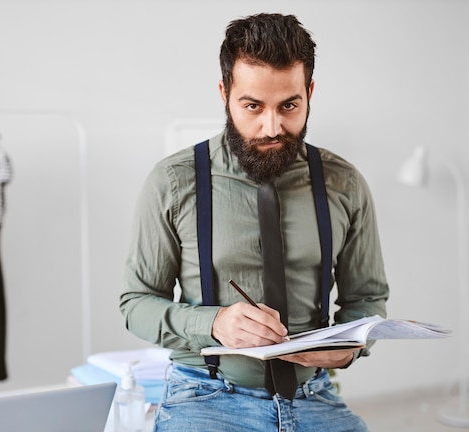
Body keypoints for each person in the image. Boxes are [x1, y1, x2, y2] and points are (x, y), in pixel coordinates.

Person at [120, 12, 388, 432]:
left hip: (314, 395)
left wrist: (348, 348)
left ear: (310, 91)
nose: (272, 127)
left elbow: (367, 300)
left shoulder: (345, 184)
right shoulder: (173, 182)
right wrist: (213, 323)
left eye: (289, 106)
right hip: (205, 396)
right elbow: (135, 303)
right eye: (252, 106)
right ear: (224, 93)